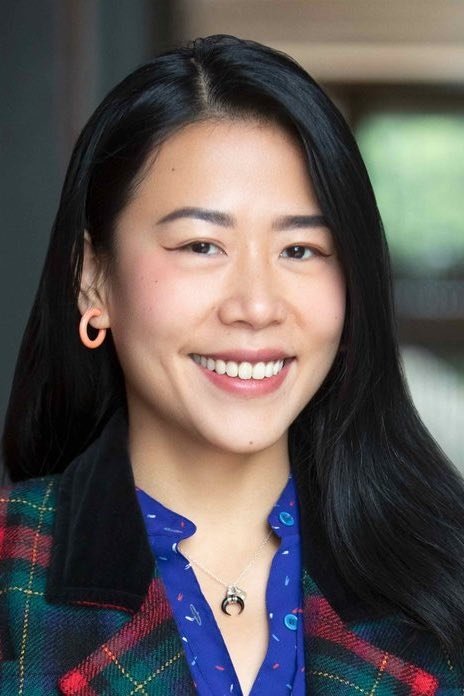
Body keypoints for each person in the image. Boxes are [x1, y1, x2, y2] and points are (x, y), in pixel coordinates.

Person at [1, 34, 463, 696]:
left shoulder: (444, 576)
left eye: (301, 250)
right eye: (201, 245)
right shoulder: (13, 568)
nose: (256, 306)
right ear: (93, 279)